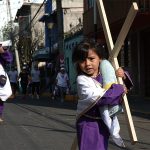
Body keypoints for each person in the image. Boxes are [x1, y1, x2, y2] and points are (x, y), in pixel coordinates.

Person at [72, 40, 133, 150]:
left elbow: (122, 87)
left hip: (103, 123)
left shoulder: (106, 73)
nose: (87, 64)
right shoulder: (82, 80)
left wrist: (122, 76)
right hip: (88, 124)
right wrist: (120, 89)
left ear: (99, 58)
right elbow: (101, 98)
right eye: (82, 60)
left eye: (91, 59)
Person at [99, 59, 125, 147]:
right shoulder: (84, 78)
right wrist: (118, 89)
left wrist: (122, 75)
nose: (88, 63)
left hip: (107, 112)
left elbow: (125, 84)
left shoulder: (107, 64)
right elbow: (98, 98)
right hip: (91, 122)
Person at [0, 45, 12, 122]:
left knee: (2, 96)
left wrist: (3, 52)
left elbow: (9, 59)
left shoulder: (2, 52)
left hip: (0, 77)